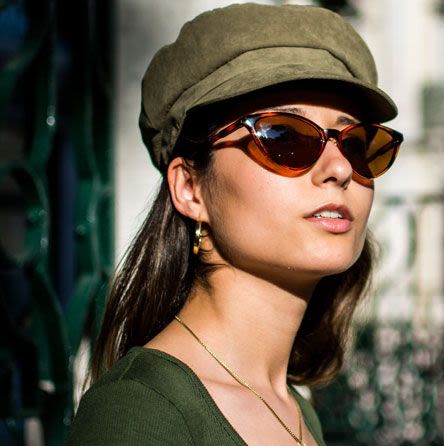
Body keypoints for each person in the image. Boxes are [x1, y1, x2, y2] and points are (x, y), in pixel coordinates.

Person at [67, 3, 401, 445]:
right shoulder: (140, 412)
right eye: (285, 137)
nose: (338, 169)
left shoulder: (290, 407)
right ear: (190, 188)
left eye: (358, 144)